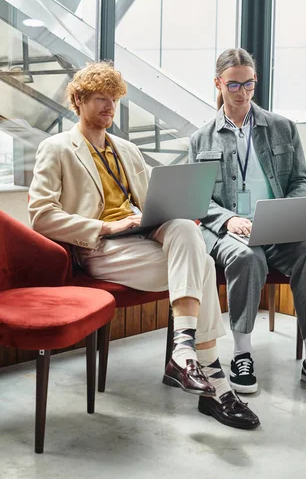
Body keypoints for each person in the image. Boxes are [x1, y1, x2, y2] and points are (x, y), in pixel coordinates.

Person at [28, 61, 260, 429]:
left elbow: (153, 202)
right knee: (199, 264)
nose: (109, 107)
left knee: (185, 227)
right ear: (78, 100)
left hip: (140, 236)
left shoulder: (126, 149)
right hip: (100, 246)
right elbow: (41, 215)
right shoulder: (56, 148)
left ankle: (183, 351)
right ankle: (216, 384)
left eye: (114, 100)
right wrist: (105, 225)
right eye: (101, 99)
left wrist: (165, 210)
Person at [189, 48, 306, 399]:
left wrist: (286, 213)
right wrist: (229, 219)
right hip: (224, 229)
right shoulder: (201, 138)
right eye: (234, 85)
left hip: (274, 227)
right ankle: (242, 354)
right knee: (248, 259)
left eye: (249, 84)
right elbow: (197, 200)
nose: (243, 92)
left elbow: (301, 181)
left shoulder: (282, 128)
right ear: (218, 83)